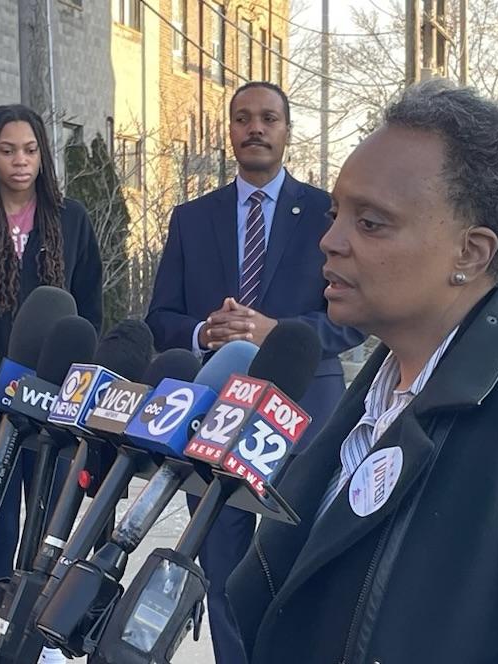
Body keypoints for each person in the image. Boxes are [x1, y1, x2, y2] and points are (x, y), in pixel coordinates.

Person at [226, 80, 498, 663]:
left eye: (371, 222)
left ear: (471, 253)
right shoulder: (377, 391)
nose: (330, 241)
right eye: (336, 214)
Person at [146, 81, 364, 664]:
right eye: (243, 119)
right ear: (230, 132)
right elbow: (160, 317)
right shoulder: (192, 219)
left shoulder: (327, 215)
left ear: (288, 130)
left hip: (304, 420)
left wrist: (276, 333)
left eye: (268, 118)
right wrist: (204, 334)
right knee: (222, 568)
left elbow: (353, 318)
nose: (255, 129)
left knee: (295, 570)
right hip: (214, 419)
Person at [0, 104, 103, 590]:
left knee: (48, 535)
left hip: (57, 404)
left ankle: (38, 639)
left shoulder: (71, 218)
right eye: (7, 151)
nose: (20, 161)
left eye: (30, 149)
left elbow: (90, 311)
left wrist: (76, 390)